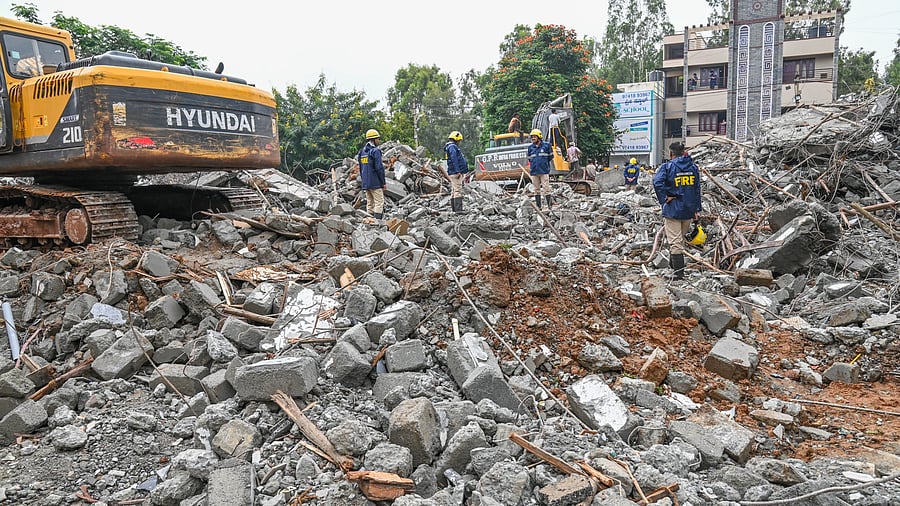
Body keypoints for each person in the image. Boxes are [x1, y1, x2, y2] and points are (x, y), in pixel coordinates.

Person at [653, 141, 702, 280]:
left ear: (671, 153)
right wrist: (697, 209)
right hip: (688, 209)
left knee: (675, 241)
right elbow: (697, 189)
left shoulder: (667, 167)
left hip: (673, 209)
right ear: (683, 151)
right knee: (678, 240)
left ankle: (678, 274)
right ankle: (672, 266)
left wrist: (664, 197)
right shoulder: (693, 167)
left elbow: (657, 182)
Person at [358, 129, 386, 219]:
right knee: (379, 202)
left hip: (366, 182)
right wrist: (383, 182)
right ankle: (377, 223)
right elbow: (379, 168)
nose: (378, 140)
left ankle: (369, 222)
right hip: (375, 182)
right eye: (378, 139)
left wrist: (364, 181)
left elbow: (361, 168)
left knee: (370, 203)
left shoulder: (362, 152)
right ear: (374, 139)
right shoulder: (375, 151)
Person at [527, 128, 553, 210]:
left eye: (534, 137)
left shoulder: (546, 146)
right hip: (534, 171)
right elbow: (529, 159)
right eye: (532, 137)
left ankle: (549, 206)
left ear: (539, 137)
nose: (533, 139)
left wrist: (544, 164)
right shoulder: (530, 148)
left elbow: (550, 157)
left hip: (544, 170)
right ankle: (539, 207)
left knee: (546, 188)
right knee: (536, 189)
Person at [444, 131, 469, 214]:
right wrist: (458, 171)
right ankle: (458, 210)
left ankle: (455, 210)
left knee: (454, 190)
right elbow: (454, 159)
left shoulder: (450, 147)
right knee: (457, 190)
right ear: (456, 139)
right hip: (455, 172)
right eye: (459, 140)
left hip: (453, 171)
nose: (459, 142)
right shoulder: (452, 147)